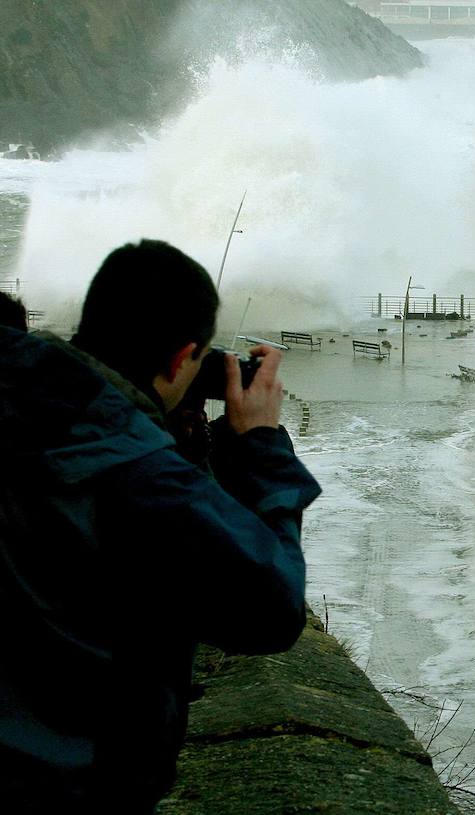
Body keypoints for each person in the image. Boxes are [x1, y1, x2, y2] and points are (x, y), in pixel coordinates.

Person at [0, 240, 321, 812]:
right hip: (65, 783)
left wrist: (177, 437)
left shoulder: (23, 395)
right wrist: (261, 445)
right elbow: (270, 611)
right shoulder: (138, 473)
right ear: (180, 360)